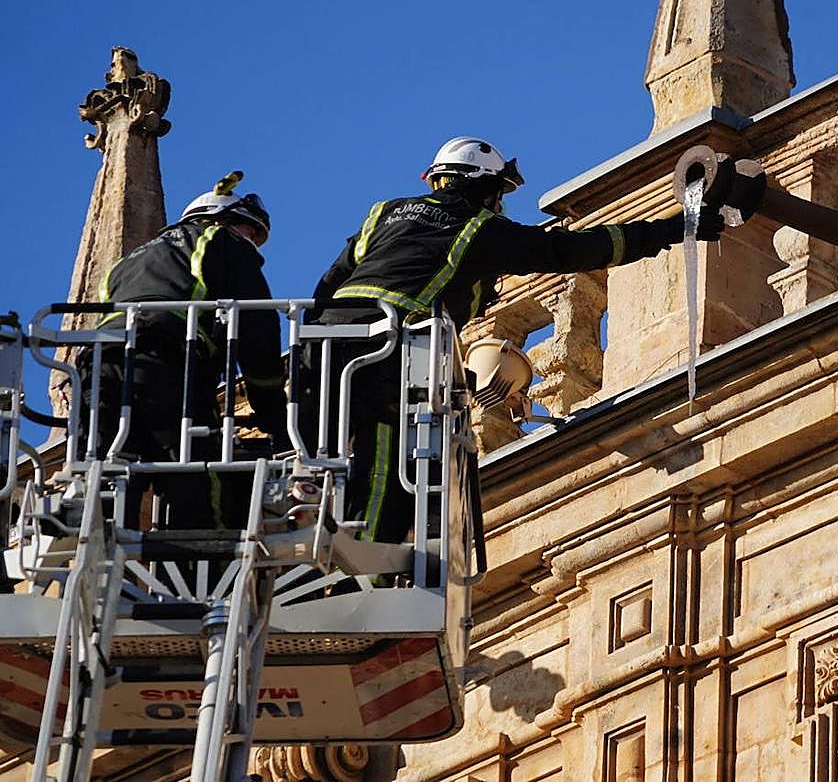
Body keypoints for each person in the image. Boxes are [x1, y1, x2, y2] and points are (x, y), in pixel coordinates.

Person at [309, 137, 724, 545]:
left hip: (323, 346)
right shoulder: (477, 229)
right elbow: (570, 251)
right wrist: (673, 228)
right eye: (499, 193)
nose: (499, 203)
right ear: (484, 187)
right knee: (387, 468)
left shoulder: (386, 212)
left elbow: (329, 283)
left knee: (310, 457)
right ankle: (367, 578)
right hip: (390, 355)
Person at [79, 172, 287, 531]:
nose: (253, 244)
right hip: (168, 366)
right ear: (225, 220)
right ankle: (209, 579)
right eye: (252, 233)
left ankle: (110, 573)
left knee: (109, 483)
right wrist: (274, 415)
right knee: (201, 484)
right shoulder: (220, 241)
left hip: (98, 371)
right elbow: (257, 327)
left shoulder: (128, 261)